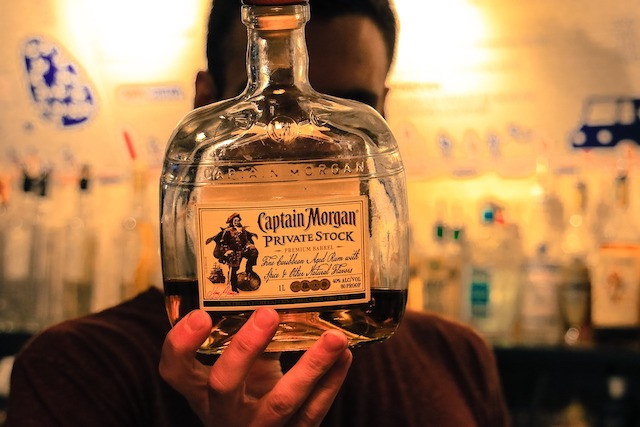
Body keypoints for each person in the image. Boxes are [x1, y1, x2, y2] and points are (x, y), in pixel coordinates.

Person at [6, 1, 511, 426]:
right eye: (277, 118)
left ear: (382, 109)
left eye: (347, 105)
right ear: (206, 101)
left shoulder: (459, 359)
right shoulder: (75, 369)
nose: (312, 138)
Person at [206, 213, 259, 293]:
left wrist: (249, 245)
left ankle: (249, 269)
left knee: (254, 251)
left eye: (238, 220)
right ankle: (233, 287)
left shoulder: (242, 231)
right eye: (235, 220)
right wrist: (227, 250)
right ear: (232, 221)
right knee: (234, 269)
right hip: (233, 253)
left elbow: (246, 241)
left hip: (242, 250)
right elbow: (223, 243)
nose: (236, 222)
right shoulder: (227, 231)